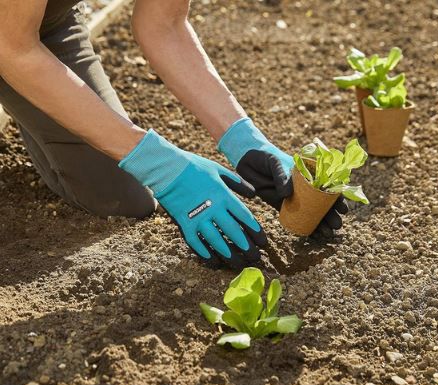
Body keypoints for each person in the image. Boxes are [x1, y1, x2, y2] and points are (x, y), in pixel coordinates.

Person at [0, 0, 348, 268]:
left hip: (40, 25)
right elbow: (12, 47)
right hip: (13, 40)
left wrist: (244, 141)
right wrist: (160, 165)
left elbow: (163, 23)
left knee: (121, 197)